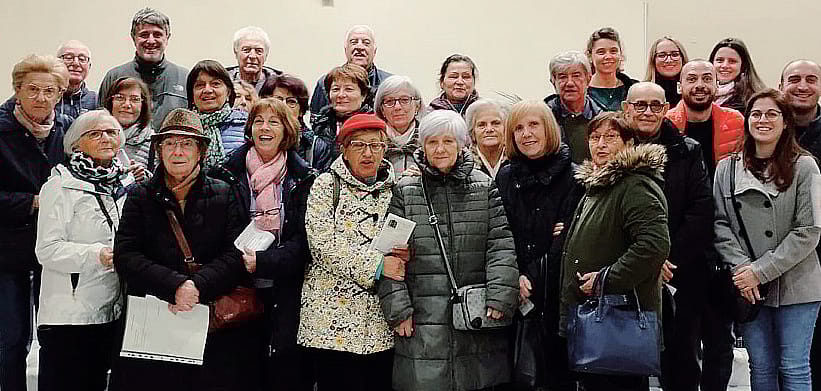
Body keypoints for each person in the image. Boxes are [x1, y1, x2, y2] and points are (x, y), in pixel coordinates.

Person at [379, 109, 518, 391]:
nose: (440, 149)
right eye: (432, 142)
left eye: (448, 141)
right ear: (423, 146)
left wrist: (501, 295)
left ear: (461, 144)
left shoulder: (484, 186)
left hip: (475, 313)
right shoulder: (406, 190)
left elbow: (500, 243)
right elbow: (389, 254)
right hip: (421, 318)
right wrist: (398, 309)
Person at [110, 108, 248, 391]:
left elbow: (235, 254)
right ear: (159, 150)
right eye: (170, 143)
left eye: (186, 144)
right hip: (152, 315)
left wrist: (196, 286)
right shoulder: (140, 195)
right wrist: (174, 286)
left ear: (201, 151)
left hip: (206, 316)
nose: (177, 151)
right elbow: (126, 254)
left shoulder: (224, 192)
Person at [623, 82, 729, 391]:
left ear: (666, 109)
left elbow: (700, 210)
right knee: (625, 359)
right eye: (640, 105)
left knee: (680, 359)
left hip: (678, 270)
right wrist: (643, 260)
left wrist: (665, 258)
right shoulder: (614, 146)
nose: (647, 112)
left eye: (655, 105)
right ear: (626, 109)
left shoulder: (687, 150)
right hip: (626, 268)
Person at [713, 88, 821, 391]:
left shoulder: (806, 167)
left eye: (772, 114)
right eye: (756, 114)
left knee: (794, 366)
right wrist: (742, 271)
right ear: (747, 120)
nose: (763, 120)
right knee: (760, 367)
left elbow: (809, 230)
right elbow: (720, 224)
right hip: (748, 289)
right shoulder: (727, 168)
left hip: (797, 285)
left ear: (785, 122)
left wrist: (759, 272)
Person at [210, 98, 316, 391]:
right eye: (258, 121)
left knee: (283, 372)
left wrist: (265, 262)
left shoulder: (304, 178)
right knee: (240, 371)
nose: (265, 128)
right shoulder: (225, 173)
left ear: (286, 130)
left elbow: (305, 239)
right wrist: (239, 261)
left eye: (273, 122)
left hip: (285, 287)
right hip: (236, 285)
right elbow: (216, 231)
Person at [561, 111, 670, 391]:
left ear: (629, 143)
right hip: (595, 317)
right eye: (595, 138)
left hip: (619, 318)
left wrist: (606, 279)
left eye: (611, 137)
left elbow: (653, 245)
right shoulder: (598, 185)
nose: (601, 144)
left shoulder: (635, 184)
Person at [299, 113, 403, 390]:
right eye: (358, 145)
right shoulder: (326, 184)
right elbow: (321, 244)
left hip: (379, 320)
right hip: (331, 322)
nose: (368, 153)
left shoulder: (396, 189)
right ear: (343, 150)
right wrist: (377, 265)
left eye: (375, 145)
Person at [35, 110, 127, 391]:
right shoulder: (59, 185)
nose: (105, 138)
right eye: (95, 133)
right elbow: (47, 250)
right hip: (69, 316)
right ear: (76, 144)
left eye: (111, 132)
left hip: (110, 311)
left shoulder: (123, 184)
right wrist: (96, 255)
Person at [495, 100, 583, 391]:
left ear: (549, 129)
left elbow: (567, 238)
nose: (526, 134)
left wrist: (531, 276)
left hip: (556, 295)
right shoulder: (506, 176)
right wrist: (514, 274)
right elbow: (499, 231)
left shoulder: (574, 177)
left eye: (534, 125)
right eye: (518, 128)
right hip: (514, 291)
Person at [0, 54, 70, 391]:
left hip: (55, 251)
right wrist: (33, 202)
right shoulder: (2, 129)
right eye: (32, 89)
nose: (41, 98)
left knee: (55, 336)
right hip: (8, 249)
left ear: (60, 94)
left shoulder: (68, 130)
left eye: (49, 90)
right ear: (17, 90)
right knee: (12, 338)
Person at [779, 60, 821, 389]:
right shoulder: (770, 131)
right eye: (794, 79)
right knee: (786, 356)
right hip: (783, 253)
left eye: (811, 79)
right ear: (781, 86)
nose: (802, 86)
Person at [98, 7, 188, 130]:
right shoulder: (114, 77)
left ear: (167, 38)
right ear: (133, 38)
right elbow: (100, 123)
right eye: (144, 35)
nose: (151, 41)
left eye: (157, 35)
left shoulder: (184, 78)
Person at [667, 60, 745, 177]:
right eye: (692, 79)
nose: (700, 85)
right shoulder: (666, 123)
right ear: (679, 87)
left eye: (707, 79)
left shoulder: (736, 121)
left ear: (717, 86)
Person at [309, 25, 392, 124]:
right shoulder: (325, 82)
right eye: (354, 42)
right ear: (346, 50)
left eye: (366, 43)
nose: (359, 47)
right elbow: (316, 122)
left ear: (374, 51)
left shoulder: (389, 84)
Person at [261, 74, 333, 172]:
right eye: (278, 100)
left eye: (291, 102)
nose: (283, 106)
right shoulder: (254, 138)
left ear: (301, 111)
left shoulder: (316, 147)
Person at [545, 51, 605, 163]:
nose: (570, 83)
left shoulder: (603, 118)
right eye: (562, 77)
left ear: (588, 79)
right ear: (553, 82)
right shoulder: (544, 118)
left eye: (576, 76)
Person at [186, 60, 248, 167]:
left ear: (228, 92)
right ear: (191, 95)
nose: (207, 90)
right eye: (200, 85)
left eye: (215, 84)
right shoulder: (182, 127)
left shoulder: (247, 124)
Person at [312, 64, 373, 161]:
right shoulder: (320, 125)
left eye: (349, 89)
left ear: (363, 95)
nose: (341, 95)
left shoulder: (374, 127)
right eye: (335, 89)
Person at [102, 76, 154, 181]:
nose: (127, 105)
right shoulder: (95, 136)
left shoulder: (153, 142)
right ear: (110, 101)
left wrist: (144, 178)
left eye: (135, 99)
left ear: (143, 105)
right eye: (120, 98)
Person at [374, 75, 425, 175]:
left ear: (417, 106)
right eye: (389, 101)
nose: (397, 107)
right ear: (382, 110)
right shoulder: (374, 141)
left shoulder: (429, 139)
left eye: (405, 100)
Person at [585, 27, 639, 111]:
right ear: (590, 56)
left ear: (620, 54)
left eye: (613, 51)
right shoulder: (582, 90)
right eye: (601, 52)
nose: (608, 56)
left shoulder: (634, 89)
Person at [709, 38, 766, 113]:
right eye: (720, 60)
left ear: (743, 66)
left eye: (732, 61)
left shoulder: (754, 100)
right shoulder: (699, 94)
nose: (725, 65)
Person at [227, 26, 282, 93]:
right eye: (246, 50)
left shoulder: (279, 84)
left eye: (258, 51)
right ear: (236, 52)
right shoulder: (223, 81)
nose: (252, 56)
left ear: (266, 55)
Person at [465, 98, 507, 178]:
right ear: (473, 133)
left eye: (496, 123)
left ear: (505, 129)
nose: (489, 129)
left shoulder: (517, 160)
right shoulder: (463, 164)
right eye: (481, 125)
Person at [56, 40, 97, 119]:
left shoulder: (96, 100)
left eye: (82, 59)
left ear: (89, 66)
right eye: (69, 58)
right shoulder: (48, 97)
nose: (76, 63)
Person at [644, 36, 690, 107]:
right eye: (662, 55)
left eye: (674, 55)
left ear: (682, 58)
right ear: (653, 60)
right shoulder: (643, 92)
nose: (669, 60)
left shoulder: (693, 91)